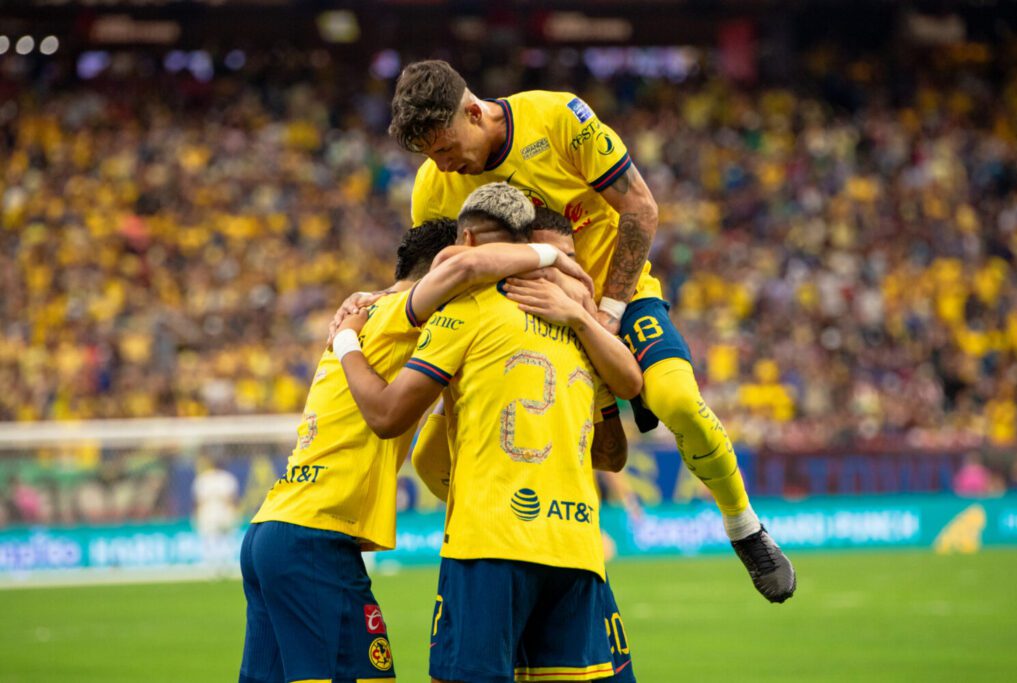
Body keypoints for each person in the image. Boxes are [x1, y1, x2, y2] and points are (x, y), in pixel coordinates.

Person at [386, 59, 795, 603]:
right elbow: (427, 272)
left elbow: (641, 210)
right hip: (521, 323)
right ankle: (514, 542)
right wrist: (385, 299)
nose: (443, 164)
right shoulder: (432, 185)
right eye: (430, 156)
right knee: (430, 458)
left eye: (444, 148)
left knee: (675, 399)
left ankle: (745, 528)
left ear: (473, 111)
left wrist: (606, 313)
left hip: (617, 299)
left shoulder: (558, 118)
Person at [240, 217, 587, 683]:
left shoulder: (365, 318)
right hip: (315, 536)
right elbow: (464, 272)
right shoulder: (397, 316)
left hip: (273, 528)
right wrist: (553, 256)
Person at [336, 183, 641, 683]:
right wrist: (584, 311)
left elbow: (390, 417)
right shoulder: (573, 317)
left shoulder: (467, 308)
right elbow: (628, 392)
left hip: (489, 545)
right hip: (575, 545)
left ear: (469, 242)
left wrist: (353, 332)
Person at [192, 455, 240, 576]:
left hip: (208, 512)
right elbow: (232, 499)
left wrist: (196, 514)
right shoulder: (227, 478)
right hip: (223, 511)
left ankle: (212, 566)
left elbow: (198, 501)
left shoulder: (203, 479)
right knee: (224, 539)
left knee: (210, 540)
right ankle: (225, 565)